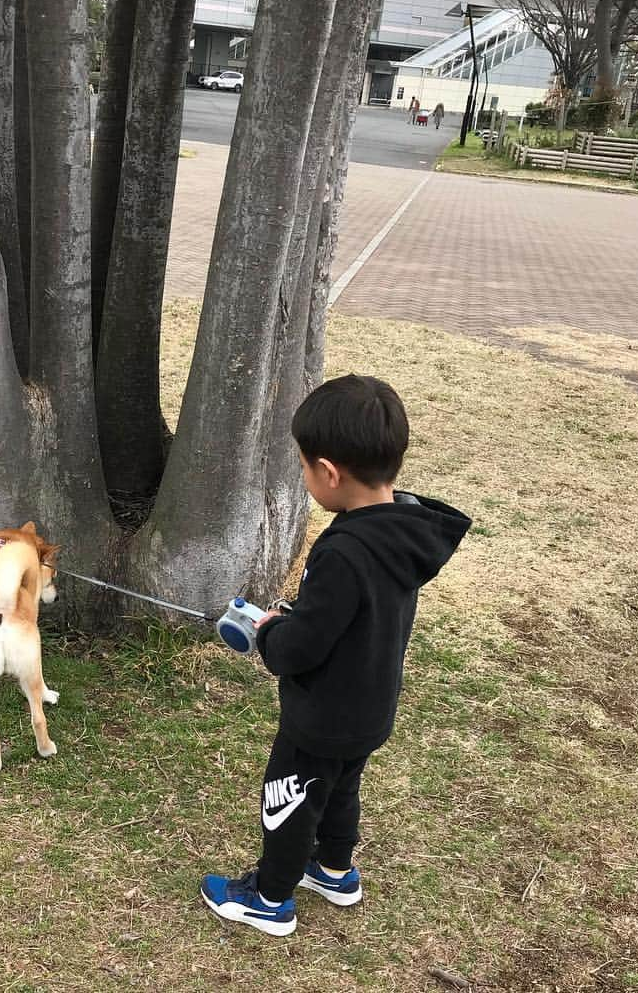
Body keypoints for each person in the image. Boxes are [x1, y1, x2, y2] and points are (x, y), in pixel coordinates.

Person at [200, 375, 471, 936]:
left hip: (321, 716)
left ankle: (270, 898)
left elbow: (299, 650)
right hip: (370, 708)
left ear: (328, 471)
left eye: (303, 468)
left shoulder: (345, 550)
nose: (305, 479)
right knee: (342, 787)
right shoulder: (403, 529)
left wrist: (271, 634)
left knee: (290, 798)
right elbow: (351, 618)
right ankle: (334, 870)